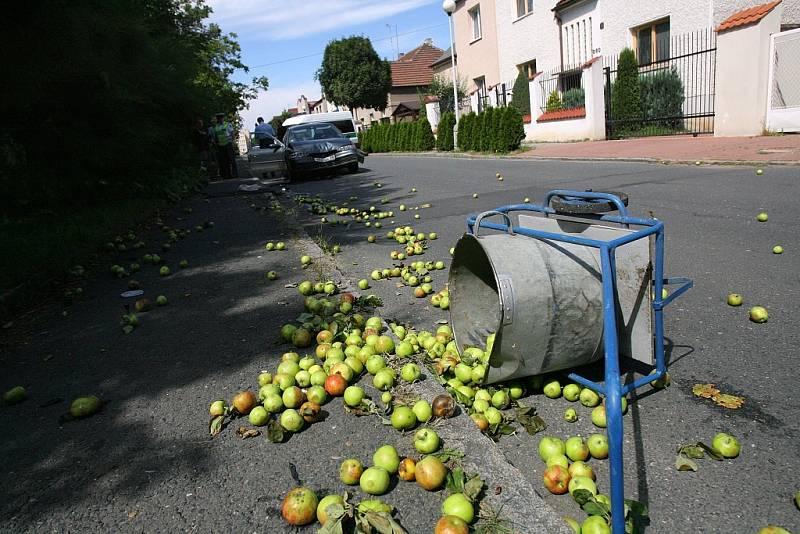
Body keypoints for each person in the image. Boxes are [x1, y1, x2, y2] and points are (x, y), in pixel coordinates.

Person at [211, 113, 239, 179]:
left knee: (232, 160)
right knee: (224, 161)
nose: (220, 120)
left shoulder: (227, 124)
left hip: (228, 144)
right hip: (221, 145)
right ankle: (227, 175)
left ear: (223, 118)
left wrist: (232, 142)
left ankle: (235, 174)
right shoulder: (216, 127)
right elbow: (215, 136)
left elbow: (232, 133)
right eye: (219, 118)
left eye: (221, 118)